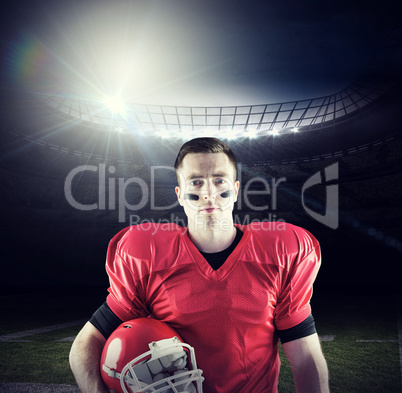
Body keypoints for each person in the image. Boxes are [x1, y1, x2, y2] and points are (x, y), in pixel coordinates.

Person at [69, 137, 329, 393]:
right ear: (180, 195)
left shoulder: (281, 252)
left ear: (236, 190)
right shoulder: (146, 255)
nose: (208, 193)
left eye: (219, 180)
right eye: (196, 181)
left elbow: (305, 355)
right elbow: (87, 342)